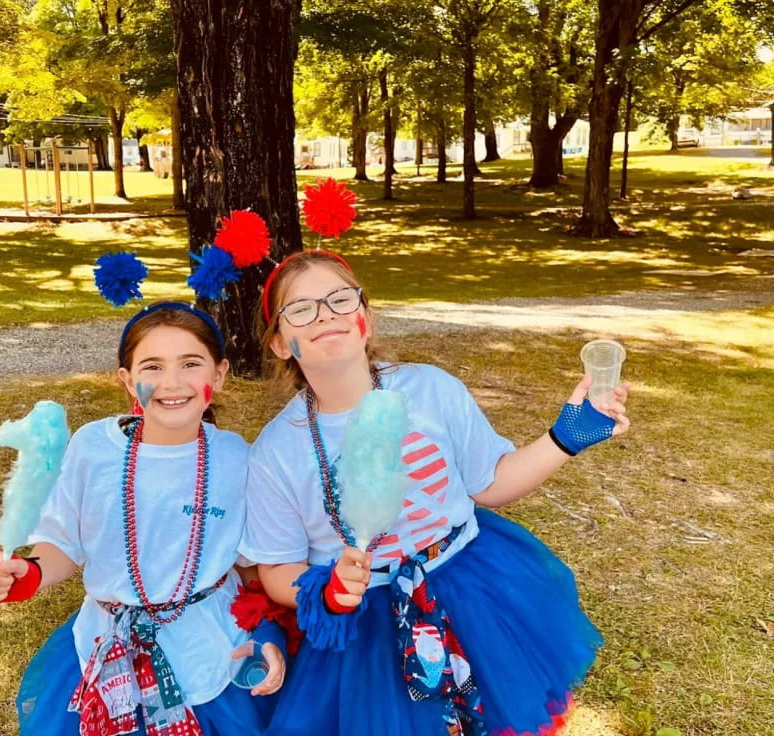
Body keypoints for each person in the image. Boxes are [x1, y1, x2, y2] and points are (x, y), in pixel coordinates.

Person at [240, 251, 630, 736]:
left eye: (340, 299)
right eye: (301, 310)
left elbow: (492, 483)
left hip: (468, 588)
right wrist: (330, 590)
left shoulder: (431, 390)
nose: (326, 316)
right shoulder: (276, 451)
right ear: (280, 342)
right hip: (368, 626)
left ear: (366, 314)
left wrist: (565, 438)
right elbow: (275, 569)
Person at [0, 302, 285, 736]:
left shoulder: (236, 457)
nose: (172, 382)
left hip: (211, 647)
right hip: (107, 645)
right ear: (127, 380)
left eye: (190, 364)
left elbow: (251, 563)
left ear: (218, 375)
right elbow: (63, 544)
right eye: (153, 366)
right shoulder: (93, 448)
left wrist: (269, 633)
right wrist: (25, 575)